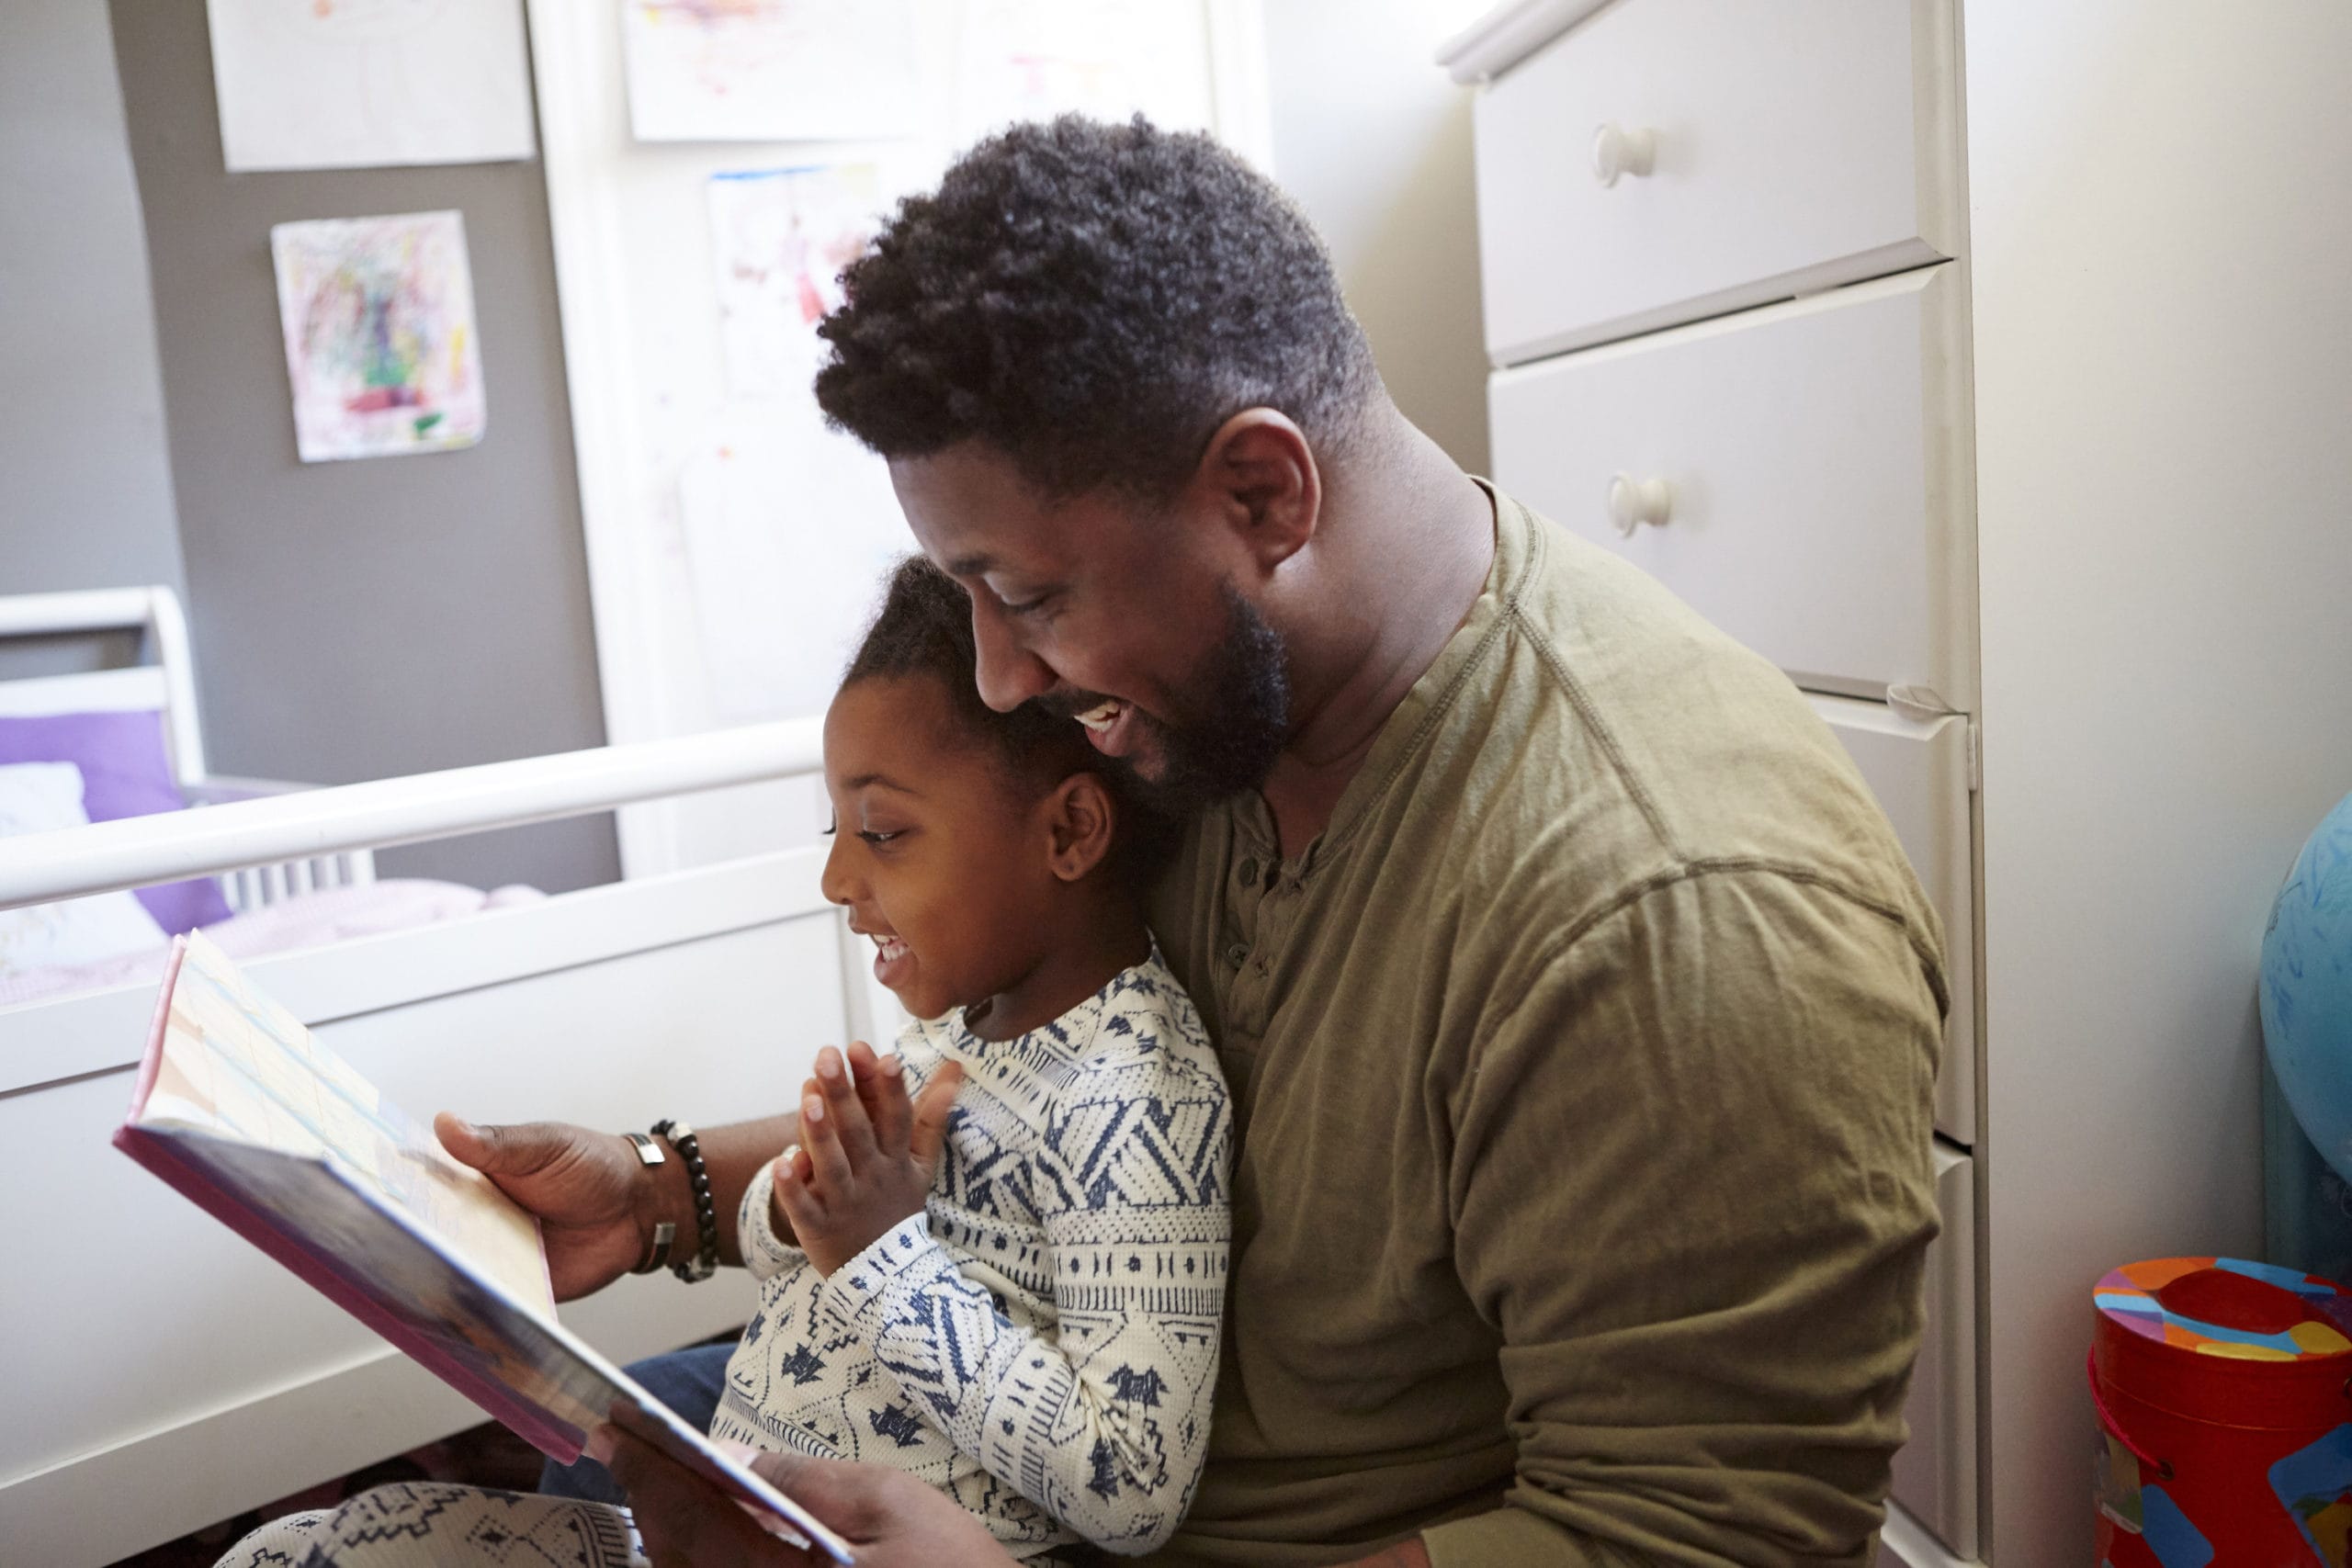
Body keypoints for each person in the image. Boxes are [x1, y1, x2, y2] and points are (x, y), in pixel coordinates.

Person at [227, 113, 1946, 1567]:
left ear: (1266, 493)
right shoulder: (1202, 712)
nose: (995, 673)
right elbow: (1024, 1109)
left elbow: (1683, 1541)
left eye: (1025, 594)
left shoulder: (1673, 914)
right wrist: (666, 1187)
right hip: (1004, 1415)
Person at [217, 556, 1229, 1567]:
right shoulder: (967, 1022)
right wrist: (778, 1209)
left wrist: (878, 1254)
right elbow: (840, 1260)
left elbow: (1130, 1482)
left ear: (1068, 830)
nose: (837, 878)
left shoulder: (1139, 1100)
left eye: (882, 832)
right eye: (840, 830)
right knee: (287, 1551)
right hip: (726, 1522)